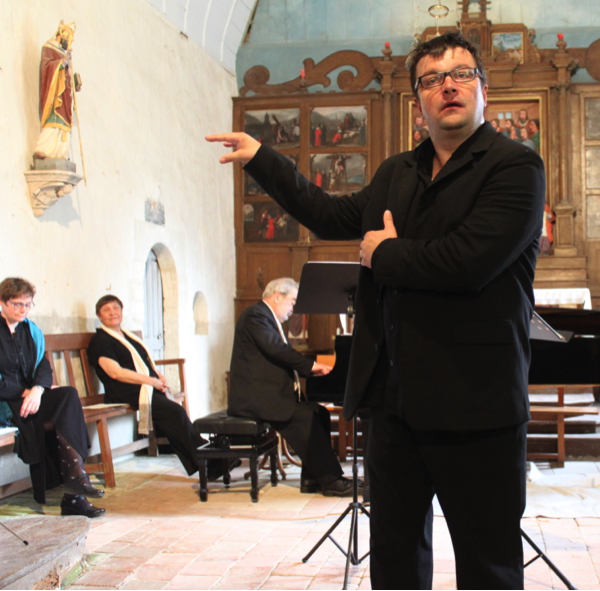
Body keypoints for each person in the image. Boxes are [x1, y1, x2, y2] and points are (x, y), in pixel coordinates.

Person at [207, 30, 545, 590]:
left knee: (488, 565)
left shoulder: (515, 167)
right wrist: (264, 160)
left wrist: (384, 253)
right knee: (394, 561)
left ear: (483, 90)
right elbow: (330, 215)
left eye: (461, 74)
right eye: (432, 80)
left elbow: (469, 262)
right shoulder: (397, 173)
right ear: (418, 104)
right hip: (394, 403)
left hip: (475, 402)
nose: (448, 86)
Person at [0, 277, 104, 517]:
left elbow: (43, 366)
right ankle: (75, 492)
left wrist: (39, 389)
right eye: (17, 304)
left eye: (28, 304)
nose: (23, 310)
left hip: (32, 399)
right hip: (3, 404)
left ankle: (75, 483)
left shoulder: (31, 330)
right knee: (63, 416)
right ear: (1, 301)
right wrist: (26, 392)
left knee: (68, 396)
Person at [229, 278, 353, 497]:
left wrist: (310, 370)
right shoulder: (255, 316)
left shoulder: (267, 318)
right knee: (307, 417)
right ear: (277, 296)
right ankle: (331, 480)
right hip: (255, 399)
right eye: (292, 302)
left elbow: (279, 354)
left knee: (320, 413)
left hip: (267, 395)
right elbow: (277, 349)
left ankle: (311, 479)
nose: (293, 309)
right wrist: (311, 366)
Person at [86, 295, 232, 481]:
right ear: (99, 316)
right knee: (175, 412)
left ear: (121, 311)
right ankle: (209, 460)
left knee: (173, 413)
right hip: (122, 390)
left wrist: (159, 377)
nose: (112, 312)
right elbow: (115, 372)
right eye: (106, 310)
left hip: (141, 388)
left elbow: (146, 363)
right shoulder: (100, 340)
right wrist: (150, 381)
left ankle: (210, 459)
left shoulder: (127, 337)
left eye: (115, 308)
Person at [34, 21, 81, 161]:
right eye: (68, 37)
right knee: (53, 120)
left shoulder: (66, 54)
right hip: (54, 96)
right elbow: (47, 67)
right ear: (61, 34)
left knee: (64, 126)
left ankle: (62, 153)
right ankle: (43, 148)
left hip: (65, 98)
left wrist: (74, 84)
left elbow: (66, 78)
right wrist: (61, 63)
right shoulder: (49, 48)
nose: (69, 41)